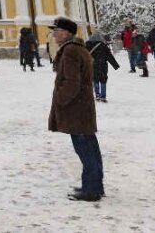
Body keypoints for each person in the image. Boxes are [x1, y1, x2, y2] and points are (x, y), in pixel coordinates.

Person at [48, 17, 105, 201]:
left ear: (65, 33)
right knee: (90, 146)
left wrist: (60, 100)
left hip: (76, 109)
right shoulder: (77, 48)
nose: (53, 34)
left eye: (56, 30)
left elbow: (72, 82)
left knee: (85, 149)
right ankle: (95, 185)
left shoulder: (70, 51)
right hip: (82, 106)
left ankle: (91, 189)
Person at [86, 32, 120, 103]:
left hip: (92, 66)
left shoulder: (87, 45)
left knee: (95, 80)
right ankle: (103, 97)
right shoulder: (103, 46)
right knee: (103, 80)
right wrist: (115, 65)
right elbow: (109, 56)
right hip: (102, 66)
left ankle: (97, 95)